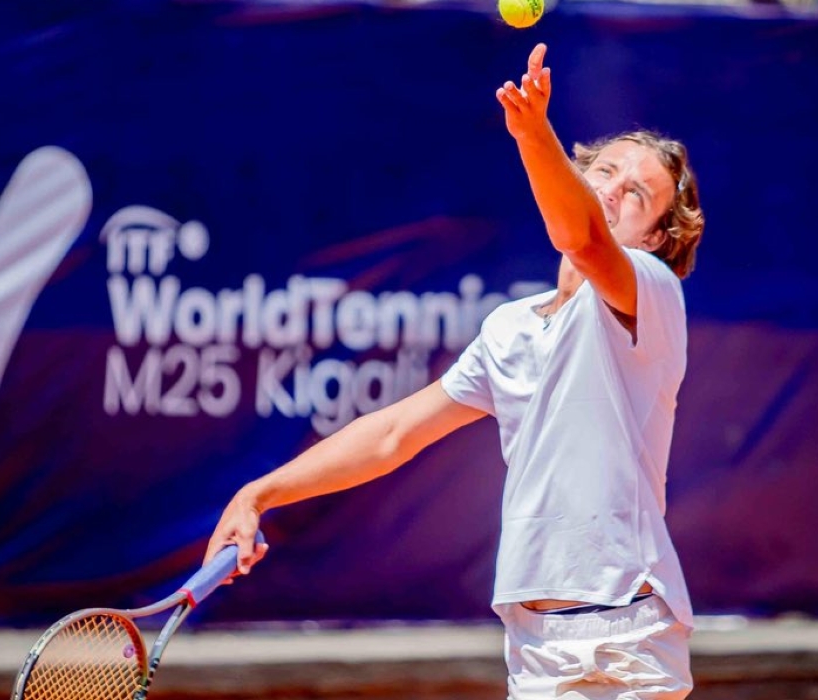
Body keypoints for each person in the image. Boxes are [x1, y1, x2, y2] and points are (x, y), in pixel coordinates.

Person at [205, 42, 705, 699]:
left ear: (657, 238)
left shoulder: (652, 291)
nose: (611, 190)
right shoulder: (511, 328)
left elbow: (581, 238)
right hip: (535, 652)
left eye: (635, 193)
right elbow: (392, 436)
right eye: (603, 172)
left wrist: (533, 135)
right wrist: (258, 493)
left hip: (625, 646)